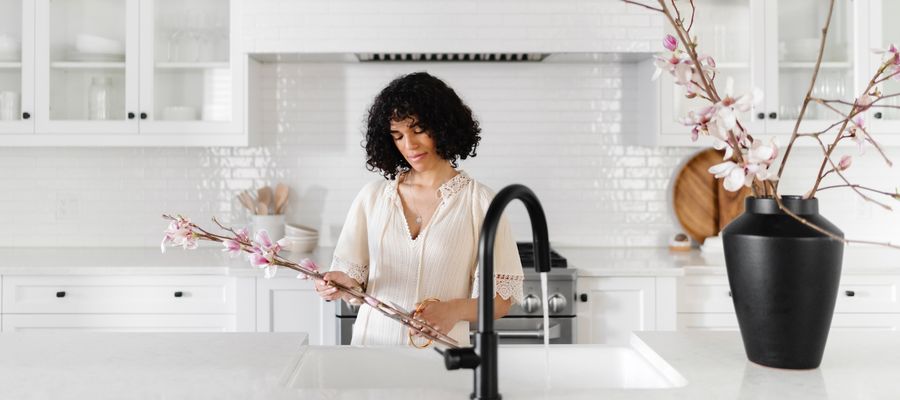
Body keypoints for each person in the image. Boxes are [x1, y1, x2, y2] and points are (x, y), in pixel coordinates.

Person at [314, 72, 524, 347]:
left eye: (418, 130)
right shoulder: (372, 197)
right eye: (398, 135)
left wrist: (453, 310)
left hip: (442, 359)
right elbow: (353, 279)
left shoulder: (481, 203)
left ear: (443, 126)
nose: (409, 145)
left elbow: (501, 300)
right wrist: (340, 283)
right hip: (371, 351)